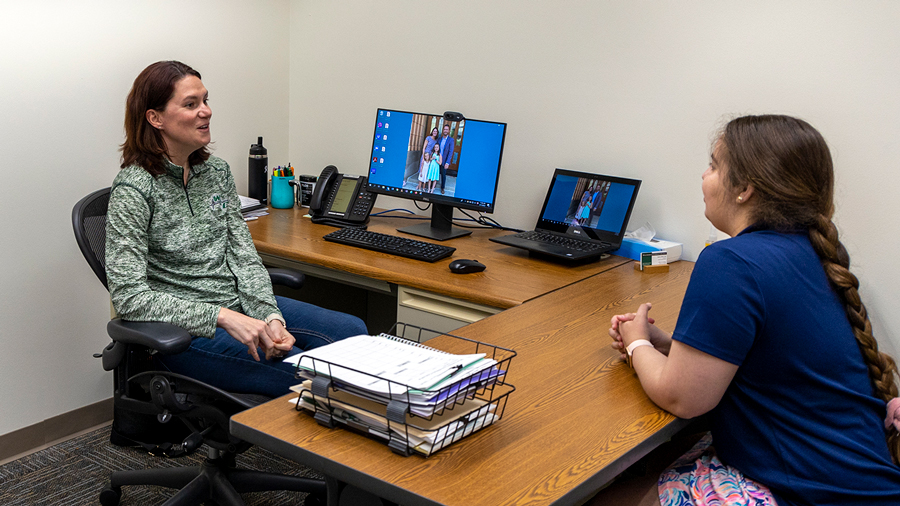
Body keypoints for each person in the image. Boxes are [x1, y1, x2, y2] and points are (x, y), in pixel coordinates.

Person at [609, 115, 900, 506]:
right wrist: (670, 346)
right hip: (859, 479)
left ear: (744, 188)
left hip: (811, 492)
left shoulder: (731, 262)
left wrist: (637, 343)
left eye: (713, 165)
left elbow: (682, 399)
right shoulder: (810, 252)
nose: (703, 176)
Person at [106, 61, 368, 398]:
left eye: (205, 100)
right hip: (184, 334)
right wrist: (223, 317)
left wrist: (270, 317)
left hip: (238, 307)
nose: (206, 112)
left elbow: (244, 257)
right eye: (191, 104)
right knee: (307, 371)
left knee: (353, 333)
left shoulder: (216, 172)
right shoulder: (134, 188)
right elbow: (130, 299)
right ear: (155, 118)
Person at [437, 123, 455, 194]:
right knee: (435, 172)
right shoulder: (439, 139)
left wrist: (447, 162)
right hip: (437, 159)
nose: (445, 130)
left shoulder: (451, 140)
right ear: (443, 130)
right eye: (444, 129)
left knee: (443, 174)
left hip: (444, 161)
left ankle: (442, 188)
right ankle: (433, 185)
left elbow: (451, 152)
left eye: (446, 129)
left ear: (449, 131)